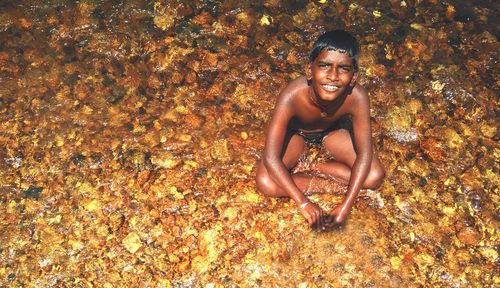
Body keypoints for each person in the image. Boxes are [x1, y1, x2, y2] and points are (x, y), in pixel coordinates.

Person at [255, 30, 385, 230]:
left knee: (374, 175)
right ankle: (334, 184)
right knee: (266, 182)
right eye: (325, 66)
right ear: (309, 71)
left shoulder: (357, 96)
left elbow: (365, 155)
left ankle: (315, 168)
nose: (333, 76)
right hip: (297, 136)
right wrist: (303, 202)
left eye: (343, 68)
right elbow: (271, 158)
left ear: (353, 77)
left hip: (332, 134)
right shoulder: (292, 95)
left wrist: (345, 207)